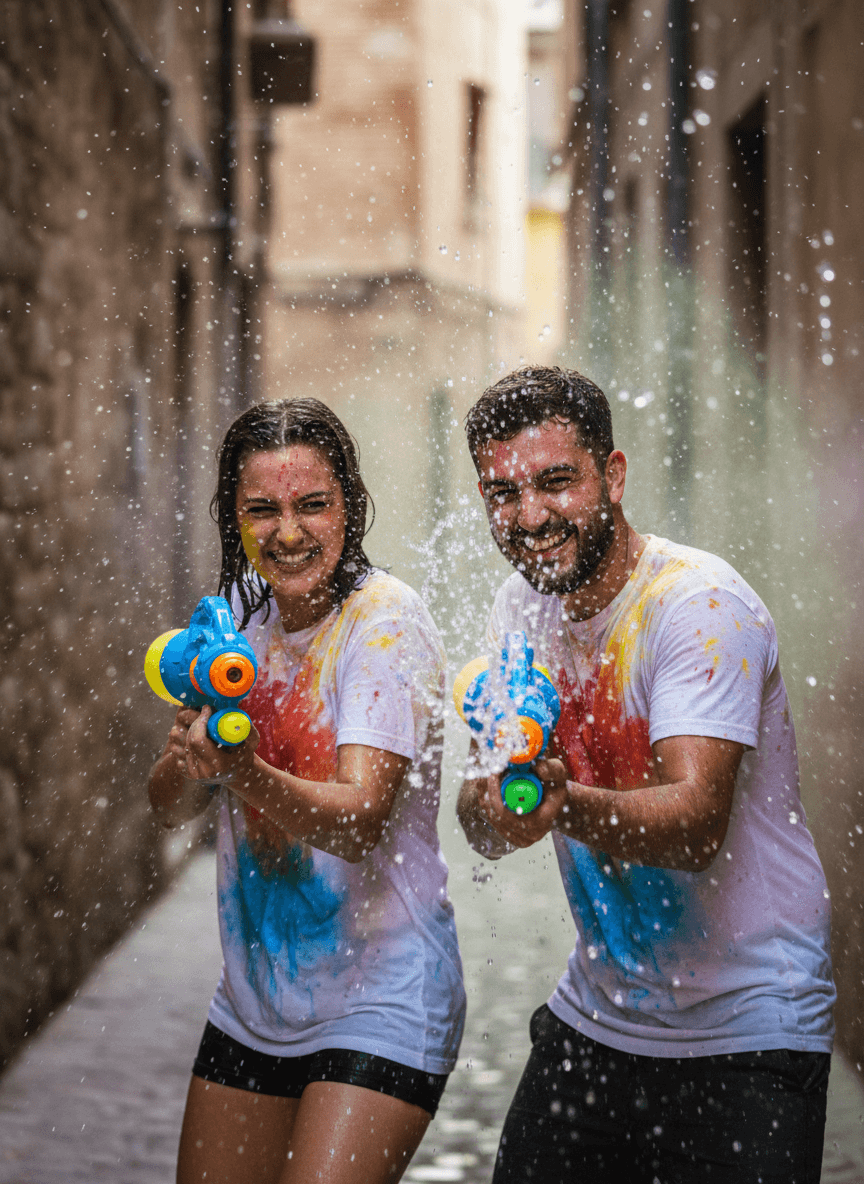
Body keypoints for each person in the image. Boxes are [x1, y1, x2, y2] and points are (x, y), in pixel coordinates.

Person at [456, 366, 834, 1183]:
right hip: (598, 1018)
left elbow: (696, 825)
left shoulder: (696, 606)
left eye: (555, 483)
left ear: (613, 475)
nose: (529, 517)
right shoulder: (520, 610)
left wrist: (555, 804)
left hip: (749, 1031)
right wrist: (491, 806)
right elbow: (486, 818)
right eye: (503, 493)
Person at [148, 398, 465, 1184]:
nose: (287, 532)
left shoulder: (384, 625)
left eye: (311, 505)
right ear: (235, 517)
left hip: (382, 1002)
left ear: (349, 505)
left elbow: (359, 820)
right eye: (262, 510)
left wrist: (241, 770)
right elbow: (168, 807)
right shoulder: (238, 626)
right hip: (256, 1008)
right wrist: (188, 764)